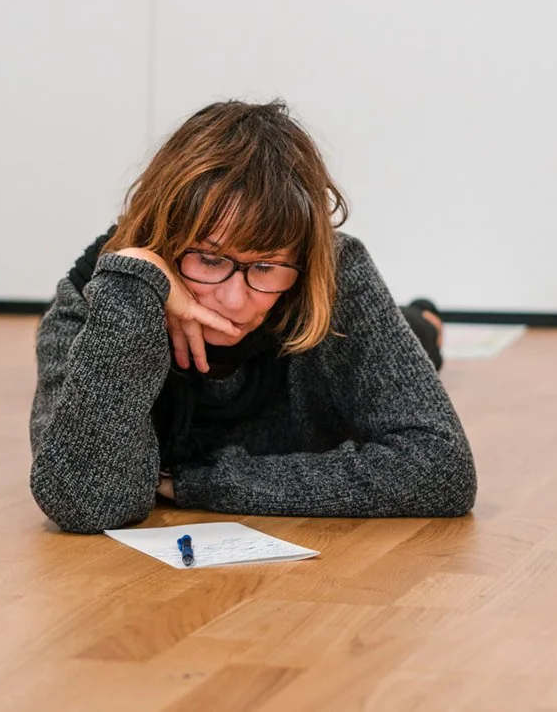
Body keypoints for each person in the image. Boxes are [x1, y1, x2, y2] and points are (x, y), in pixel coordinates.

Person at [28, 99, 476, 534]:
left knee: (417, 332)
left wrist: (201, 482)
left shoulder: (333, 275)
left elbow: (441, 469)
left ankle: (424, 320)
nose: (236, 300)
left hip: (356, 335)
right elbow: (83, 500)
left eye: (265, 266)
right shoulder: (100, 295)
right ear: (162, 239)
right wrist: (136, 291)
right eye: (208, 259)